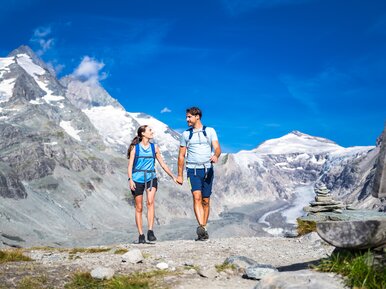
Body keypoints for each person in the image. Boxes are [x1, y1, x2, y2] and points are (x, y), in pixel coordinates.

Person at [176, 107, 221, 241]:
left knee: (205, 201)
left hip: (207, 170)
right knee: (196, 197)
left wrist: (216, 155)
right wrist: (180, 175)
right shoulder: (185, 134)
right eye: (187, 117)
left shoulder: (210, 131)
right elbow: (181, 155)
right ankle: (201, 227)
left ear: (197, 117)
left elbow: (217, 148)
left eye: (189, 117)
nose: (187, 119)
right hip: (192, 170)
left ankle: (204, 228)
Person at [128, 125, 177, 243]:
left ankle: (150, 231)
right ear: (143, 134)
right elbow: (130, 166)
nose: (152, 132)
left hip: (151, 177)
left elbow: (163, 164)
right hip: (137, 178)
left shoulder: (154, 148)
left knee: (150, 202)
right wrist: (130, 180)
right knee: (139, 207)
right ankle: (141, 235)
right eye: (150, 130)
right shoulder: (135, 149)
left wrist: (173, 176)